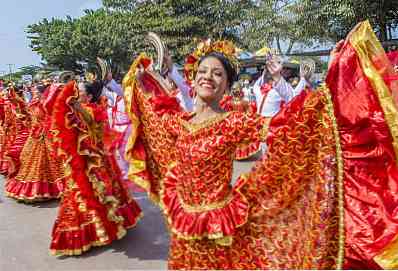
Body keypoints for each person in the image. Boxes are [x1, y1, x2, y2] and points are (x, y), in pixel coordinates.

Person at [124, 21, 398, 269]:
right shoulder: (179, 122)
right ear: (193, 79)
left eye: (218, 74)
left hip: (220, 230)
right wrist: (147, 80)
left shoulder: (232, 122)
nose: (208, 77)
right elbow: (155, 114)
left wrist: (335, 80)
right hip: (183, 226)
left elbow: (290, 125)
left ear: (227, 86)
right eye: (203, 71)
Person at [49, 79, 142, 256]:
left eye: (81, 92)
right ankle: (86, 232)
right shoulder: (75, 111)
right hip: (81, 163)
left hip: (96, 163)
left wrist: (76, 106)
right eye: (77, 92)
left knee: (100, 195)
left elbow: (90, 121)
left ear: (89, 96)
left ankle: (104, 228)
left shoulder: (94, 110)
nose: (77, 94)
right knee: (78, 197)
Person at [5, 83, 64, 202]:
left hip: (45, 137)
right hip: (34, 137)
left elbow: (50, 119)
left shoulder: (46, 105)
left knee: (48, 163)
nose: (34, 92)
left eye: (36, 91)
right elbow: (27, 116)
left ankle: (51, 189)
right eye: (34, 91)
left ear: (42, 93)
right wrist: (16, 103)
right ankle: (35, 190)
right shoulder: (33, 103)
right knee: (28, 162)